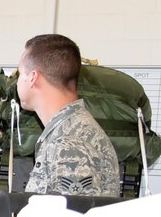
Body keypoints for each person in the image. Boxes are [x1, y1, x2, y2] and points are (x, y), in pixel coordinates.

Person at [17, 33, 121, 199]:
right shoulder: (71, 129)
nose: (17, 81)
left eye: (20, 74)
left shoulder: (67, 143)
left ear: (33, 78)